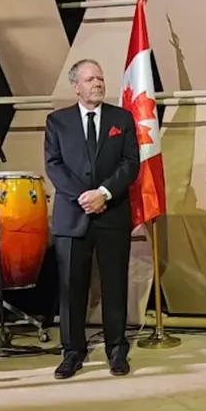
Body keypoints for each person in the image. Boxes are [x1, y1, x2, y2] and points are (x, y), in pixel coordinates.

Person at [44, 58, 140, 380]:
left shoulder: (122, 119)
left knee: (115, 285)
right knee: (72, 287)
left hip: (112, 214)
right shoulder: (57, 121)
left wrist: (103, 193)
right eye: (90, 79)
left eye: (100, 78)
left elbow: (130, 164)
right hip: (72, 217)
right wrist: (84, 197)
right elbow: (54, 165)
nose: (97, 83)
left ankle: (117, 348)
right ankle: (72, 351)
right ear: (76, 87)